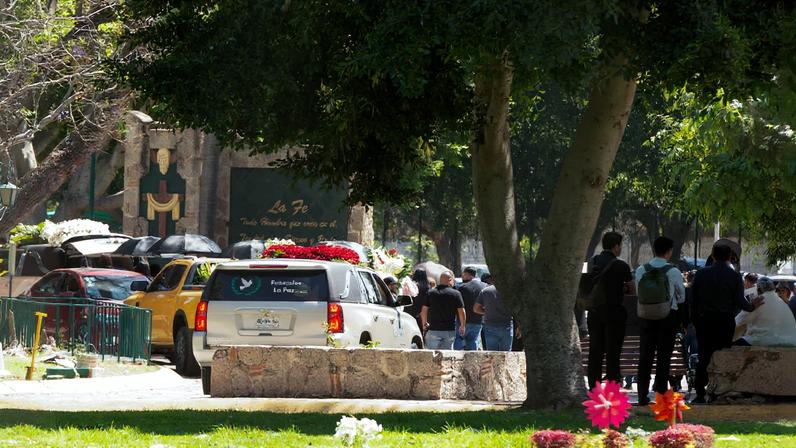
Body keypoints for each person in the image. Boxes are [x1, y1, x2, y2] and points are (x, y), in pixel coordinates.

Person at [691, 243, 764, 404]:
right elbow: (740, 301)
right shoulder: (734, 276)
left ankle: (700, 392)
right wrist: (752, 306)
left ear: (713, 255)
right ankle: (721, 391)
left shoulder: (701, 274)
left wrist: (695, 322)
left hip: (705, 321)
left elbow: (693, 300)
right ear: (730, 257)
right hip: (725, 322)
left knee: (703, 356)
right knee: (724, 354)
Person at [634, 236, 686, 405]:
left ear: (654, 249)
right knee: (664, 356)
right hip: (667, 318)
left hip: (645, 317)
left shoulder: (641, 270)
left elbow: (639, 293)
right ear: (669, 251)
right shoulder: (673, 271)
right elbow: (682, 297)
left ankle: (642, 394)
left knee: (645, 356)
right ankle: (661, 392)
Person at [585, 232, 635, 390]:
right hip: (614, 312)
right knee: (613, 352)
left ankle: (594, 386)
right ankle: (612, 386)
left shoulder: (591, 262)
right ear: (616, 246)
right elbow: (632, 290)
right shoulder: (621, 265)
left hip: (594, 311)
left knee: (595, 351)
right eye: (620, 245)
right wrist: (622, 288)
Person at [734, 277, 796, 347]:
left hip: (765, 340)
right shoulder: (780, 301)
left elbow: (738, 321)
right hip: (790, 341)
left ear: (758, 289)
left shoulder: (758, 301)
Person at [420, 271, 465, 349]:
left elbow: (423, 311)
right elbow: (461, 312)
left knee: (432, 354)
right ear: (450, 280)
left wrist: (424, 323)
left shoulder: (431, 293)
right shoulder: (456, 294)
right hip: (449, 330)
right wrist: (462, 325)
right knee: (447, 354)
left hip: (433, 329)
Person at [473, 282, 514, 351]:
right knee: (506, 353)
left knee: (491, 353)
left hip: (490, 325)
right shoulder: (510, 291)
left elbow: (475, 309)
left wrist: (487, 312)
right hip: (507, 325)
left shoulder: (485, 291)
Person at [454, 267, 486, 350]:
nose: (462, 277)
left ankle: (457, 357)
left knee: (459, 339)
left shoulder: (461, 287)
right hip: (478, 320)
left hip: (462, 321)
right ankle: (473, 357)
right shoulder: (484, 286)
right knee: (473, 341)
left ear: (468, 275)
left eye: (463, 275)